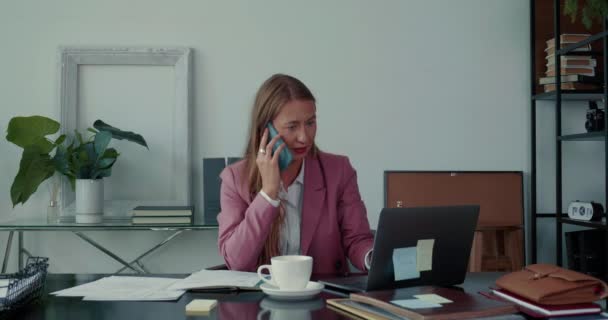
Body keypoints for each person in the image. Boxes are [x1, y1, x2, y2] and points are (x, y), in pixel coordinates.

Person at [217, 73, 373, 275]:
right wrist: (268, 194)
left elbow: (357, 239)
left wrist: (374, 258)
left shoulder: (338, 170)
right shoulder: (235, 179)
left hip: (323, 296)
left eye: (310, 123)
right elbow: (236, 260)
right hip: (260, 300)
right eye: (292, 127)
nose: (304, 137)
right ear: (266, 130)